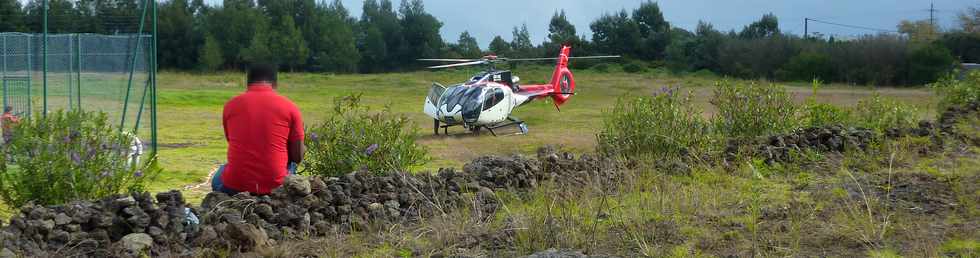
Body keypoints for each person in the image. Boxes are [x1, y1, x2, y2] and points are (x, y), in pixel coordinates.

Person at [212, 64, 305, 195]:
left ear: (248, 83)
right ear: (275, 84)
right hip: (276, 186)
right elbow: (297, 156)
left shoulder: (230, 105)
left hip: (235, 186)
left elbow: (231, 141)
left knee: (218, 176)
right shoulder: (290, 107)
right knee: (291, 163)